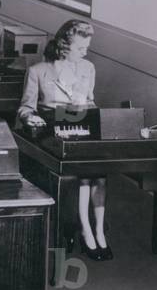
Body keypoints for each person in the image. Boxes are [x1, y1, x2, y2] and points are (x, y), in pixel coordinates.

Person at [17, 20, 110, 260]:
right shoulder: (38, 71)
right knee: (82, 175)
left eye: (87, 48)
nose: (85, 53)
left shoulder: (88, 68)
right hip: (52, 130)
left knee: (99, 175)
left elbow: (91, 102)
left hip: (82, 127)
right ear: (64, 46)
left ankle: (99, 231)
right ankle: (86, 230)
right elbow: (26, 108)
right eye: (81, 48)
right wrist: (31, 119)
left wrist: (88, 107)